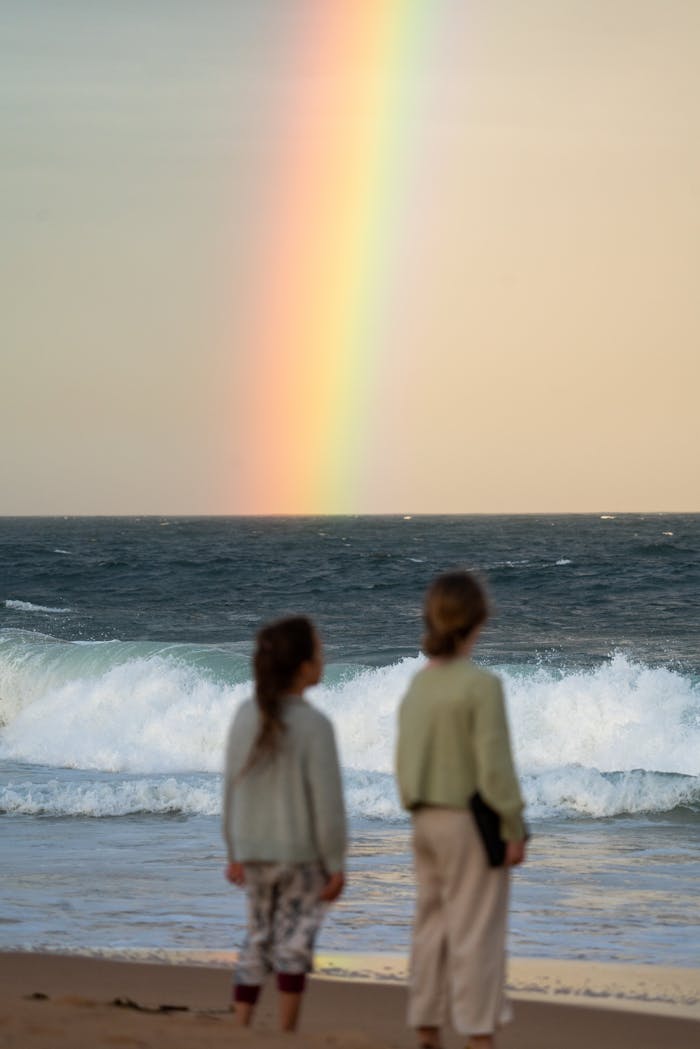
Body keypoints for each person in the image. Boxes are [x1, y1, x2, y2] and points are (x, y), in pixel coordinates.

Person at [395, 571, 527, 1049]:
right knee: (476, 931)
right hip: (470, 821)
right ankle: (478, 1032)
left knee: (431, 924)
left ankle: (427, 1025)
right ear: (480, 620)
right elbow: (494, 767)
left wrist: (414, 802)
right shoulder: (481, 685)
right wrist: (513, 824)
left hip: (424, 817)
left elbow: (403, 757)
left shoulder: (418, 684)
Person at [222, 615, 347, 1032]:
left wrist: (234, 852)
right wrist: (335, 862)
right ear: (303, 666)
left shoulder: (245, 715)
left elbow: (230, 791)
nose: (323, 657)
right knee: (295, 944)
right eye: (319, 650)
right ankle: (286, 1032)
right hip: (300, 856)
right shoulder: (315, 725)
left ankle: (241, 1026)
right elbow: (327, 804)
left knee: (257, 938)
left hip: (253, 850)